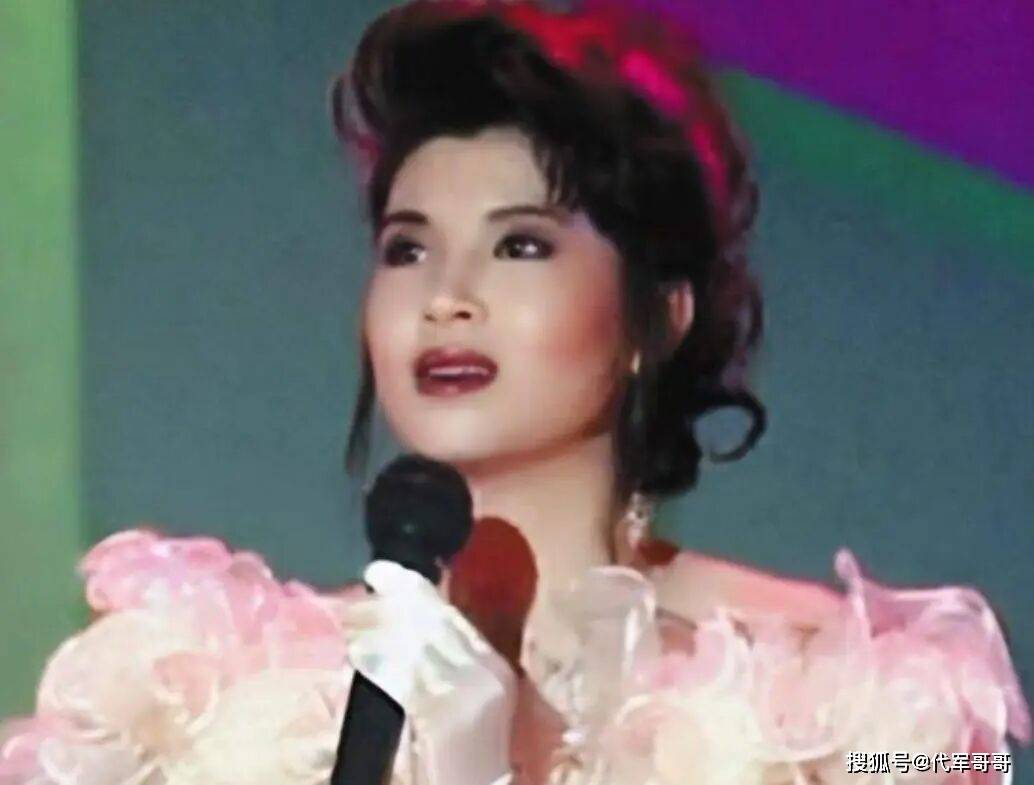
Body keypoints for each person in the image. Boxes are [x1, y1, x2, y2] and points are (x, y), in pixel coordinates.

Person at [1, 2, 1029, 784]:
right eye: (408, 249)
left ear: (656, 315)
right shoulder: (215, 704)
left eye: (520, 245)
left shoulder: (844, 700)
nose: (447, 296)